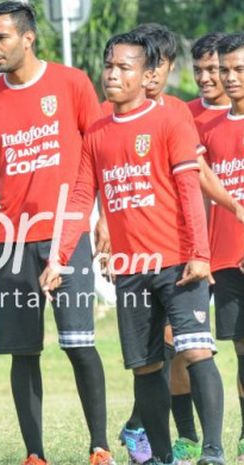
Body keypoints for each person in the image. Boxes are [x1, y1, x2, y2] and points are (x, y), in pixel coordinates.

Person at [40, 31, 225, 465]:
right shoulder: (96, 133)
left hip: (179, 263)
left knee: (196, 349)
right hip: (131, 268)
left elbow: (188, 191)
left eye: (124, 67)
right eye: (109, 66)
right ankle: (161, 457)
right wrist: (59, 257)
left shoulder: (170, 120)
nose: (113, 74)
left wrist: (200, 254)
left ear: (147, 76)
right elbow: (82, 197)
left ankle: (213, 452)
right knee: (145, 367)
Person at [0, 2, 112, 464]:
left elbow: (99, 151)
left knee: (78, 344)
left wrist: (103, 217)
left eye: (1, 38)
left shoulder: (72, 84)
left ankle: (99, 446)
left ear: (28, 38)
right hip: (12, 242)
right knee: (22, 352)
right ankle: (34, 454)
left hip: (67, 236)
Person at [199, 33, 244, 465]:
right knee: (241, 349)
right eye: (225, 69)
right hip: (226, 257)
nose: (230, 78)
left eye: (239, 69)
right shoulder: (209, 130)